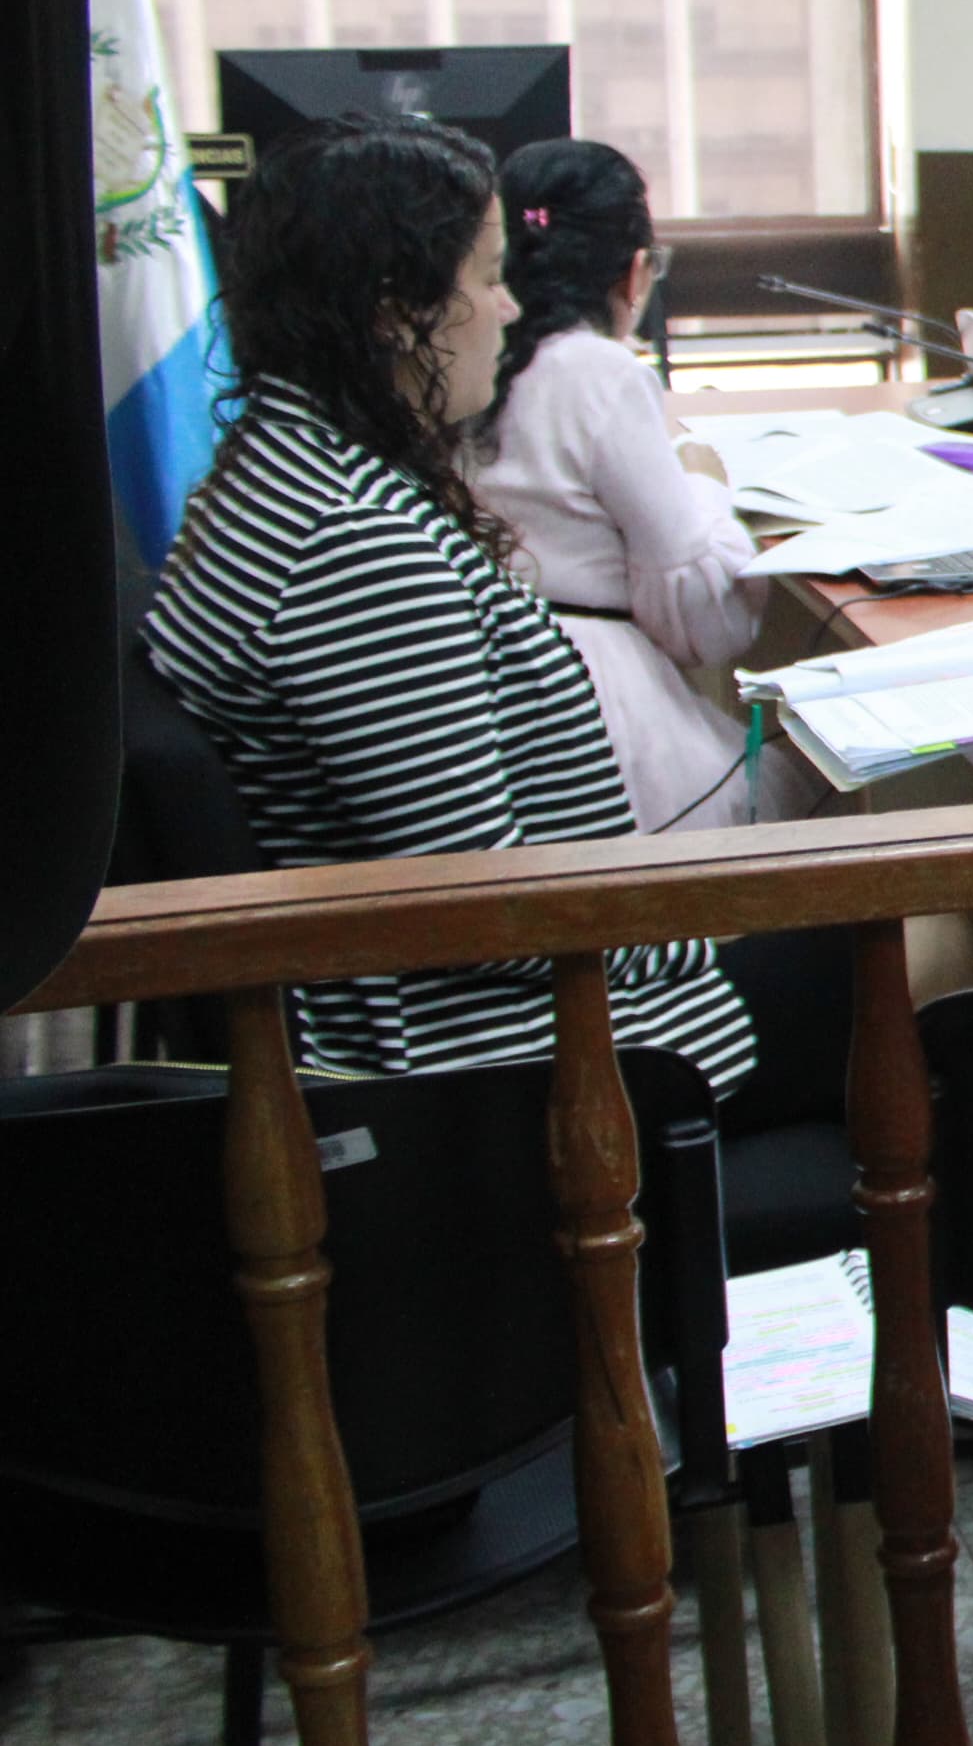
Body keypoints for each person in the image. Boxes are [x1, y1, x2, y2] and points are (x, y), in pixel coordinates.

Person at [141, 116, 754, 1089]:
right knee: (956, 940)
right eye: (486, 276)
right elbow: (483, 903)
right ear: (396, 312)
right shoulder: (352, 546)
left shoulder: (277, 464)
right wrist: (671, 911)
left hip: (552, 991)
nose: (511, 309)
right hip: (539, 1053)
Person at [466, 140, 802, 833]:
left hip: (497, 712)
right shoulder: (598, 373)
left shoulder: (471, 366)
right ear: (635, 272)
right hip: (600, 724)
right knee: (811, 785)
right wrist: (705, 486)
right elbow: (704, 622)